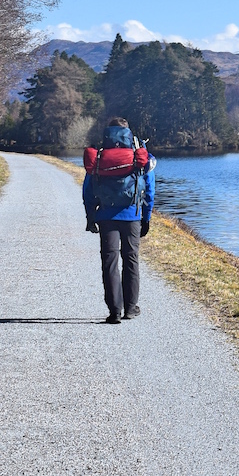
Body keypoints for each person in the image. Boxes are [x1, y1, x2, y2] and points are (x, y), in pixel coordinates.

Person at [82, 117, 156, 324]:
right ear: (128, 133)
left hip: (106, 215)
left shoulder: (99, 157)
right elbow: (149, 189)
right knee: (131, 260)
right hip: (132, 216)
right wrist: (146, 217)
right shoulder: (139, 155)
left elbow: (88, 190)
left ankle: (114, 311)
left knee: (110, 262)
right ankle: (130, 308)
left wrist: (90, 217)